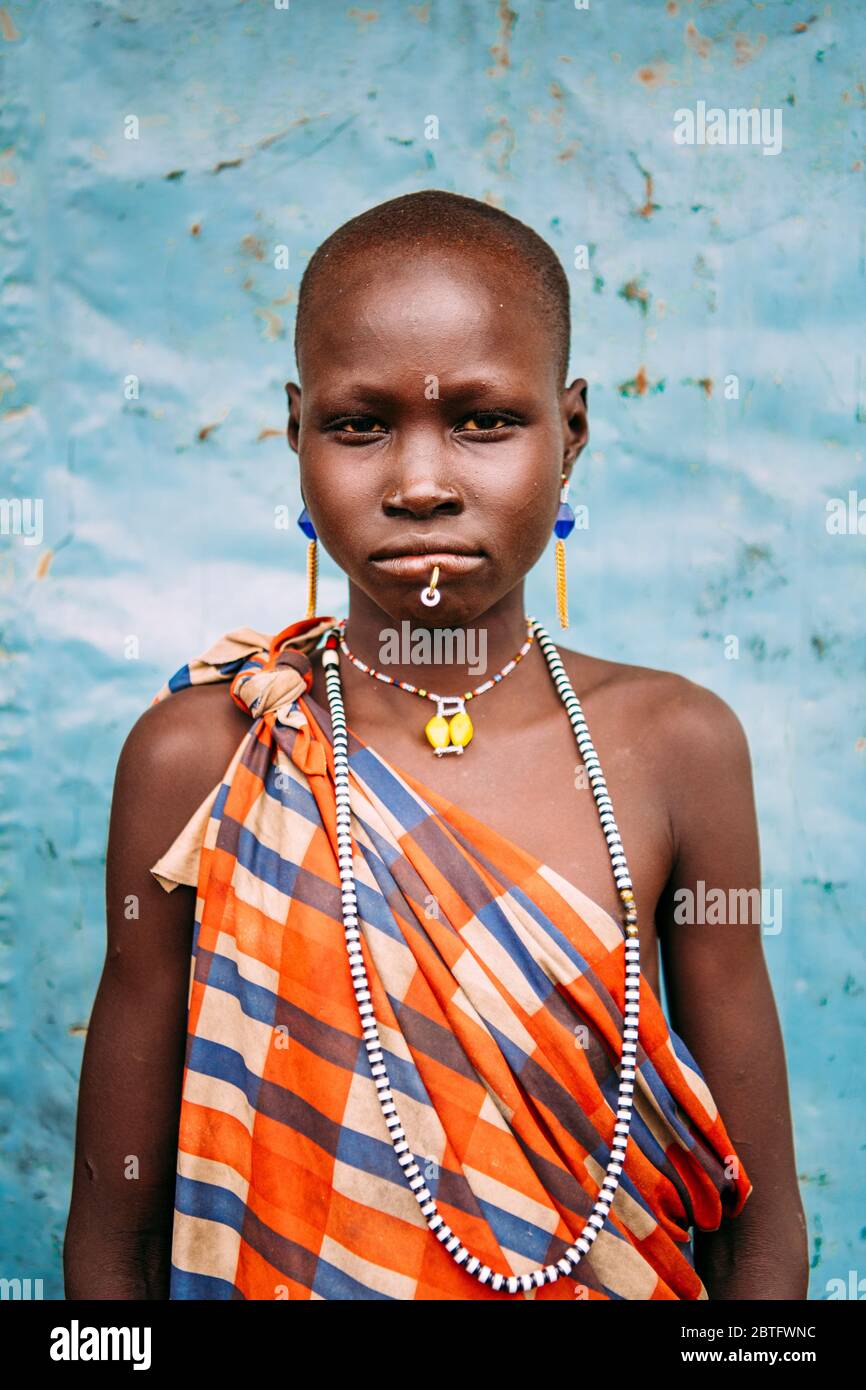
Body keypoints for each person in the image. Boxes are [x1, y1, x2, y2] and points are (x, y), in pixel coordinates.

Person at [64, 190, 807, 1300]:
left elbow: (757, 1231)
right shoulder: (200, 756)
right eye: (359, 424)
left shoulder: (674, 748)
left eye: (483, 421)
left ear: (573, 433)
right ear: (295, 435)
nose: (418, 484)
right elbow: (112, 1235)